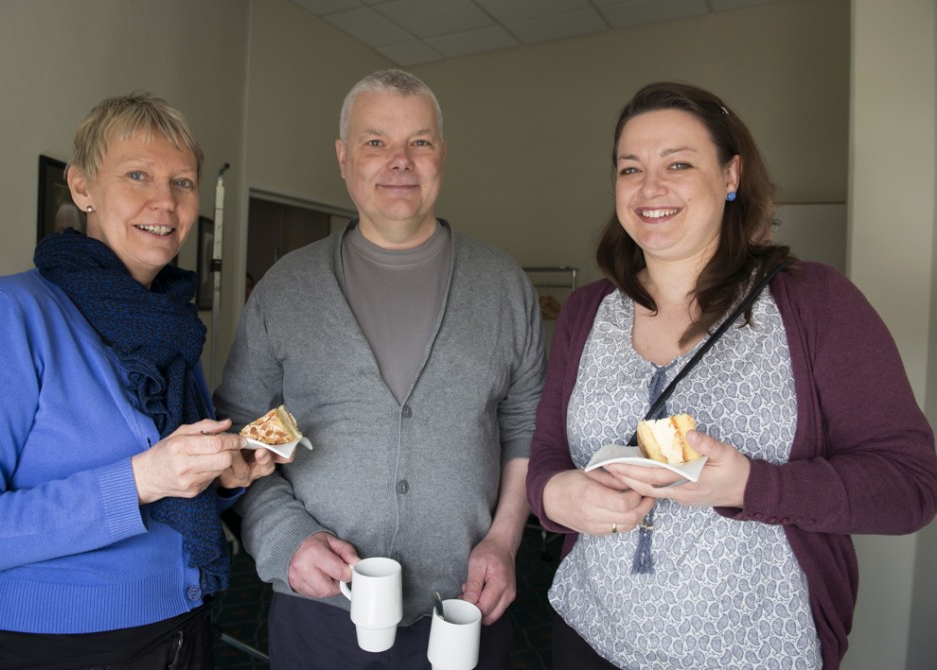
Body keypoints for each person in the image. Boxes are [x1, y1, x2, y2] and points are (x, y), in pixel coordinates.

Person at [525, 81, 937, 670]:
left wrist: (749, 486)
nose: (650, 188)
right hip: (589, 633)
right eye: (630, 168)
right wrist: (553, 496)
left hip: (754, 650)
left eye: (680, 163)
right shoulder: (588, 312)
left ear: (732, 175)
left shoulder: (814, 302)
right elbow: (545, 454)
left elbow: (910, 488)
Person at [0, 92, 287, 669]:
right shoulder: (7, 315)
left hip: (186, 632)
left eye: (183, 182)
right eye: (138, 174)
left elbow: (173, 494)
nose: (164, 201)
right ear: (82, 187)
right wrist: (138, 480)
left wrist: (224, 478)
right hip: (50, 653)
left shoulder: (172, 324)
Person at [214, 69, 546, 669]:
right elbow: (241, 431)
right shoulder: (286, 288)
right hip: (322, 610)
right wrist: (283, 537)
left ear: (441, 156)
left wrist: (504, 539)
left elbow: (526, 423)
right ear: (344, 159)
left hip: (465, 607)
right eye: (375, 142)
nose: (399, 161)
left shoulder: (503, 286)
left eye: (419, 142)